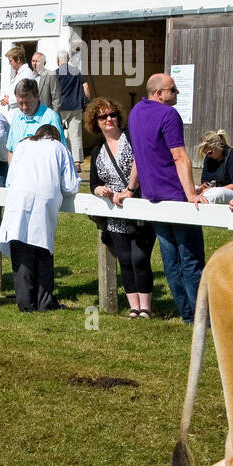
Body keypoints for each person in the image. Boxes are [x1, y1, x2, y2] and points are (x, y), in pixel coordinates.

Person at [126, 72, 207, 323]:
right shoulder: (168, 114)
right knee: (191, 259)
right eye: (173, 90)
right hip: (175, 197)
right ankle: (199, 317)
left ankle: (186, 314)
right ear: (159, 93)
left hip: (154, 199)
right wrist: (191, 193)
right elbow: (179, 156)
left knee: (171, 260)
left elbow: (139, 156)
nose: (177, 94)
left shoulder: (135, 113)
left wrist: (131, 188)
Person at [0, 125, 80, 312]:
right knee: (43, 250)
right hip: (44, 200)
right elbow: (69, 186)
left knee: (21, 250)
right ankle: (44, 301)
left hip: (18, 200)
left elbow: (10, 179)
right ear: (56, 137)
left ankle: (26, 303)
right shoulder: (59, 148)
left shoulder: (22, 145)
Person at [87, 98, 156, 317]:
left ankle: (146, 307)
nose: (109, 119)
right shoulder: (98, 149)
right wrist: (100, 191)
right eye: (103, 116)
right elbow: (94, 183)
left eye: (112, 115)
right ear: (95, 122)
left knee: (140, 258)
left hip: (138, 204)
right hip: (115, 214)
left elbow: (144, 163)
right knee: (125, 259)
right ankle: (133, 307)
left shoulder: (131, 138)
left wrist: (130, 189)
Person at [6, 78, 65, 158]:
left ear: (37, 97)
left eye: (28, 103)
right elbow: (11, 151)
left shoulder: (51, 118)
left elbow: (61, 152)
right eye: (20, 103)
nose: (24, 107)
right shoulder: (16, 117)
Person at [192, 130, 233, 203]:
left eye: (210, 153)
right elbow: (206, 182)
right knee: (191, 189)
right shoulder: (209, 159)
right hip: (216, 191)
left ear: (218, 146)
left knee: (217, 194)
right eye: (205, 153)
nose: (208, 155)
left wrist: (213, 190)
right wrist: (202, 187)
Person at [55, 50, 90, 163]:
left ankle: (60, 159)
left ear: (58, 60)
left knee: (57, 134)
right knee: (75, 136)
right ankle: (76, 162)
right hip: (76, 107)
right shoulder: (76, 72)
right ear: (69, 59)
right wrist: (87, 102)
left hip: (60, 108)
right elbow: (86, 86)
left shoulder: (55, 73)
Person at [0, 46, 35, 110]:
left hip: (22, 112)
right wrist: (7, 97)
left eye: (11, 61)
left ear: (18, 60)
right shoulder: (19, 73)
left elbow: (25, 95)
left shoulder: (26, 74)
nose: (9, 63)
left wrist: (9, 100)